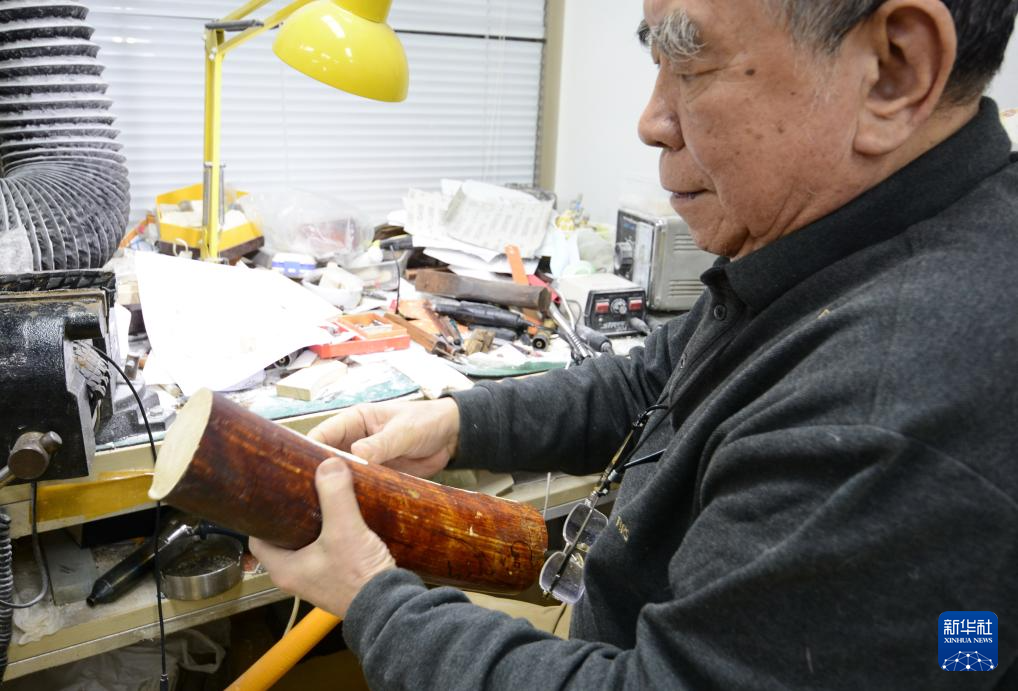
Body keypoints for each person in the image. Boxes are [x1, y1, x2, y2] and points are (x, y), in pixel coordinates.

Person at [251, 0, 1018, 687]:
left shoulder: (889, 409)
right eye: (657, 59)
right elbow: (657, 378)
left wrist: (371, 598)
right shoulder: (833, 245)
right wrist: (455, 422)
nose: (651, 120)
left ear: (894, 71)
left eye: (692, 62)